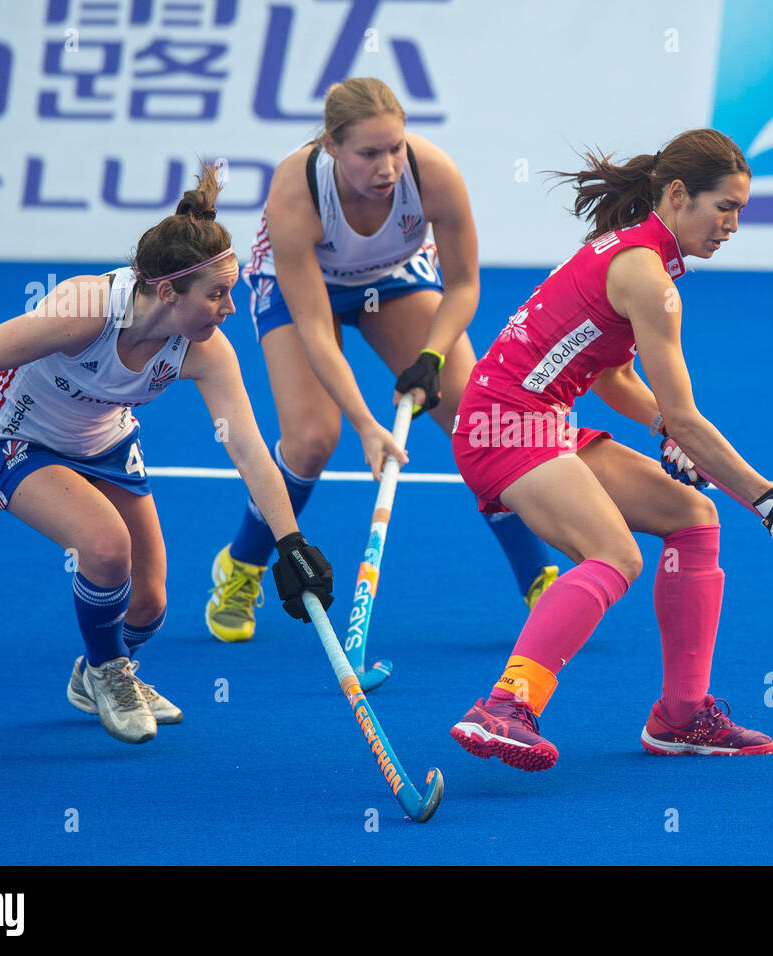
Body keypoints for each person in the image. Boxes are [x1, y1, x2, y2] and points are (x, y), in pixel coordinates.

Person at [0, 165, 335, 745]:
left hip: (106, 441)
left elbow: (249, 450)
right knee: (107, 548)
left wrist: (290, 545)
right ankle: (109, 672)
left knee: (150, 602)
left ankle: (100, 672)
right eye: (217, 294)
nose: (230, 308)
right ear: (167, 292)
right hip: (18, 438)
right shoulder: (84, 311)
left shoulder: (204, 351)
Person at [448, 128, 773, 771]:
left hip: (541, 416)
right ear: (678, 195)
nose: (733, 225)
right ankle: (506, 705)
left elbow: (609, 375)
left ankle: (681, 715)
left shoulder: (636, 254)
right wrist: (769, 500)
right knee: (615, 554)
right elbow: (690, 419)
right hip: (505, 422)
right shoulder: (646, 274)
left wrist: (664, 429)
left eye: (741, 211)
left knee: (695, 519)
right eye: (724, 207)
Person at [205, 76, 557, 643]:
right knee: (313, 439)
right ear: (332, 148)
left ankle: (537, 576)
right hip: (304, 289)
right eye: (369, 154)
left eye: (395, 147)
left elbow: (464, 286)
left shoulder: (432, 173)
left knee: (476, 421)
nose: (388, 166)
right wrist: (366, 425)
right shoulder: (296, 189)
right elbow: (317, 328)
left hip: (393, 279)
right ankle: (241, 567)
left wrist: (431, 356)